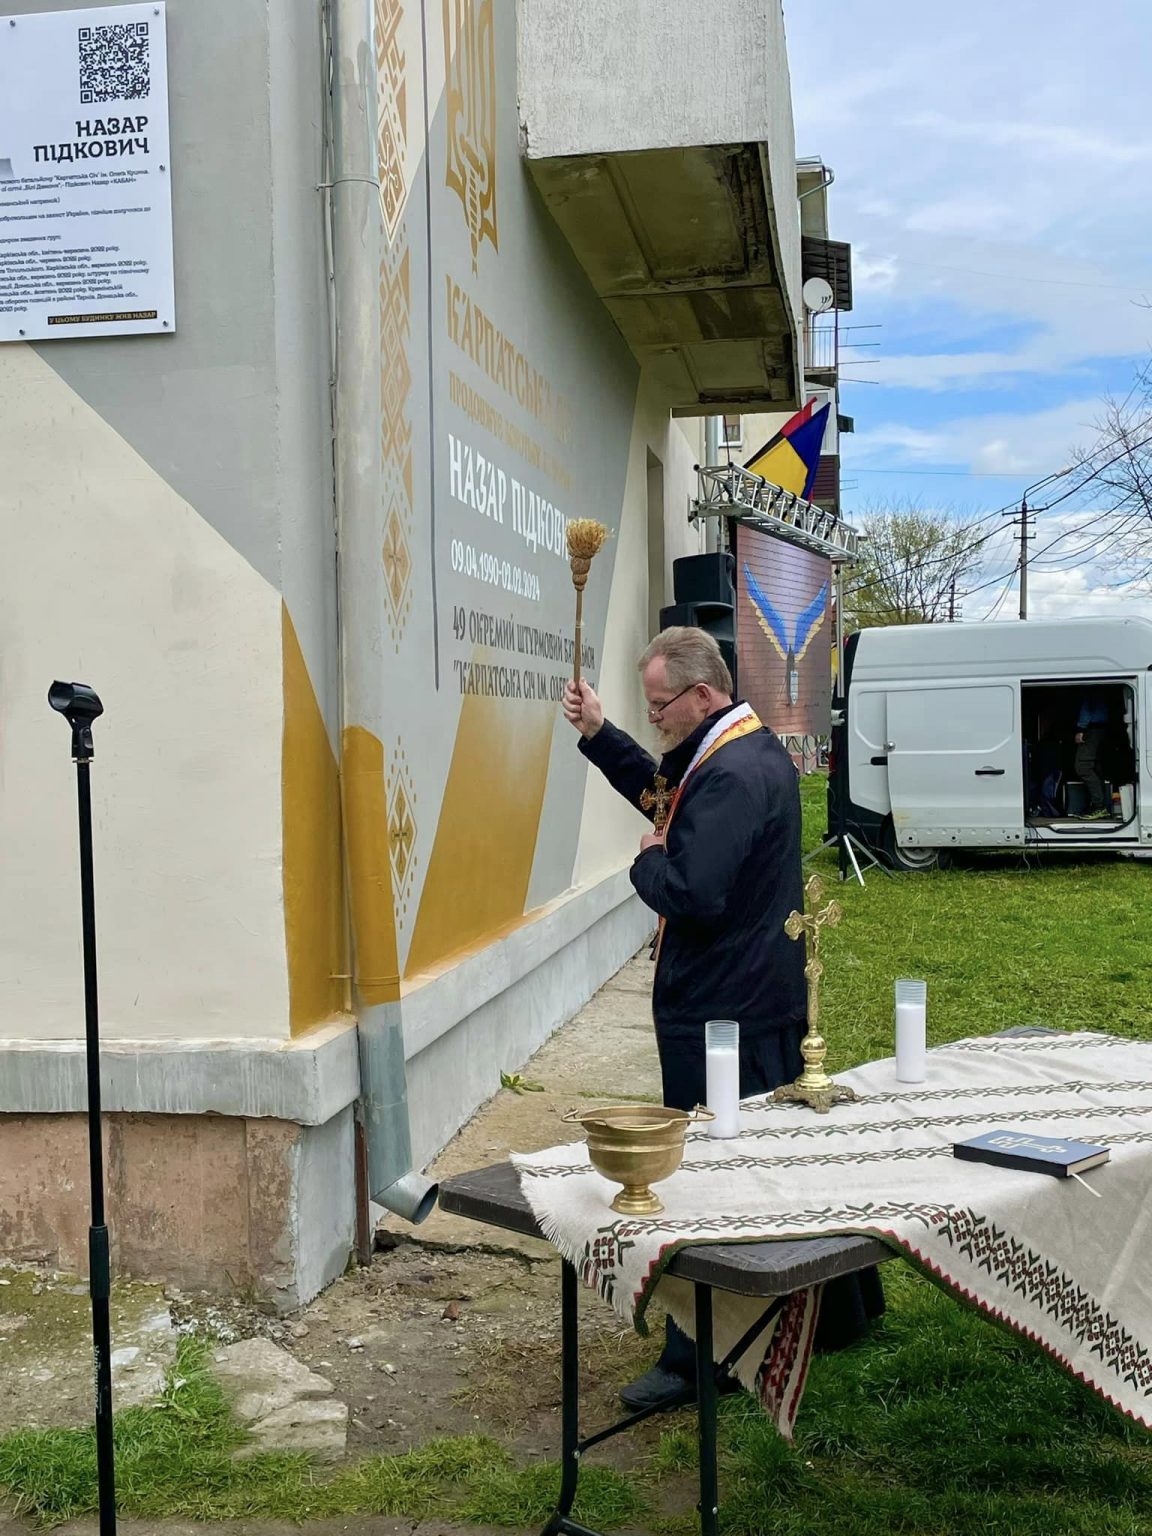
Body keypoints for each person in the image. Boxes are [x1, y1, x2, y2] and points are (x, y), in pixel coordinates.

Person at [563, 626, 883, 1414]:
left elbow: (692, 892)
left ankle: (698, 1356)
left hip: (720, 1010)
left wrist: (647, 859)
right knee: (778, 1161)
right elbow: (665, 793)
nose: (655, 719)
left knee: (706, 1177)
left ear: (701, 695)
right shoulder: (740, 747)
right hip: (755, 995)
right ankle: (837, 1314)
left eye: (659, 705)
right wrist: (601, 733)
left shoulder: (734, 774)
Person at [1074, 690, 1112, 819]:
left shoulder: (1091, 688)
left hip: (1092, 728)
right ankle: (1101, 805)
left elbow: (1087, 706)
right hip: (1102, 729)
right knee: (1095, 768)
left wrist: (1081, 728)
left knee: (1083, 767)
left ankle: (1098, 806)